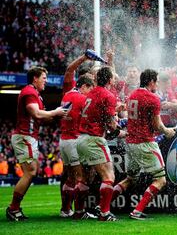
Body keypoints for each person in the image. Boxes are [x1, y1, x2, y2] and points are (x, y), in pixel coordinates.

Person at [111, 69, 176, 220]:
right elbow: (158, 125)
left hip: (131, 144)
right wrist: (167, 132)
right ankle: (137, 211)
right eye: (157, 81)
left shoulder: (132, 95)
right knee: (161, 180)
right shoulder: (153, 98)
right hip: (145, 143)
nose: (158, 84)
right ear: (151, 82)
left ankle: (103, 207)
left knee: (130, 179)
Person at [6, 66, 67, 221]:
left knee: (33, 171)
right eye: (44, 78)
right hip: (25, 136)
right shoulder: (30, 92)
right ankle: (13, 208)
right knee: (30, 172)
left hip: (28, 136)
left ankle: (14, 208)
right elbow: (36, 113)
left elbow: (43, 118)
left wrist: (59, 115)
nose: (46, 81)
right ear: (35, 78)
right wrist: (56, 112)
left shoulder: (35, 94)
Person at [76, 66, 126, 221]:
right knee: (108, 177)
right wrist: (121, 132)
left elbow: (98, 111)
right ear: (110, 79)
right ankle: (104, 213)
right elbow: (111, 124)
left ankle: (78, 212)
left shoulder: (91, 93)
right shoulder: (108, 95)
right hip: (93, 138)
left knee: (85, 178)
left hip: (81, 138)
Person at [58, 75, 94, 218]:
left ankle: (65, 210)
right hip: (74, 140)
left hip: (64, 140)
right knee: (82, 178)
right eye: (89, 89)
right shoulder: (81, 98)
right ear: (84, 86)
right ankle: (79, 212)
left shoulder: (67, 95)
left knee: (70, 178)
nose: (90, 93)